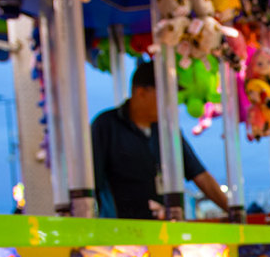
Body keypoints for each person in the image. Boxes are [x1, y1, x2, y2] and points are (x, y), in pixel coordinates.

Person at [91, 59, 229, 219]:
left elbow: (200, 175)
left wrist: (234, 212)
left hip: (165, 227)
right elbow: (94, 184)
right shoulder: (106, 125)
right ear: (141, 93)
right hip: (121, 229)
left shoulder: (168, 130)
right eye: (166, 95)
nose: (172, 102)